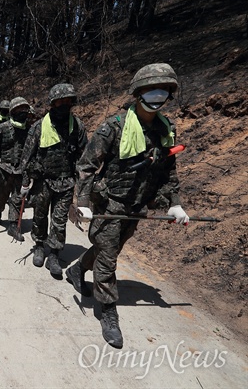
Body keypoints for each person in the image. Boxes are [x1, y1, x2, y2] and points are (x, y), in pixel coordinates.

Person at [67, 63, 189, 349]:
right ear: (138, 93)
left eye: (163, 89)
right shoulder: (115, 126)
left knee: (105, 251)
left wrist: (175, 203)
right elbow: (86, 165)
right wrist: (82, 202)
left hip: (137, 205)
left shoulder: (165, 128)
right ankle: (107, 311)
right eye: (150, 89)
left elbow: (168, 170)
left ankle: (76, 270)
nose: (157, 94)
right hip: (109, 204)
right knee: (108, 258)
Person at [20, 84, 88, 275]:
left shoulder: (77, 126)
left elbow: (85, 158)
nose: (64, 105)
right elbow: (27, 157)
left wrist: (84, 191)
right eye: (60, 101)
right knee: (40, 216)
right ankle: (40, 246)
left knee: (59, 221)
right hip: (43, 182)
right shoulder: (39, 127)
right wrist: (25, 183)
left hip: (66, 182)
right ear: (52, 103)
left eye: (68, 101)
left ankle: (55, 254)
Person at [0, 97, 32, 242]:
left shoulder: (30, 130)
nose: (22, 112)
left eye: (24, 109)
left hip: (21, 170)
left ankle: (13, 224)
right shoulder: (3, 127)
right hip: (4, 168)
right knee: (2, 196)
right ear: (12, 111)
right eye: (18, 109)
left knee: (17, 198)